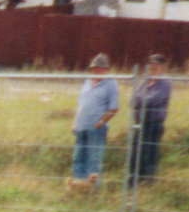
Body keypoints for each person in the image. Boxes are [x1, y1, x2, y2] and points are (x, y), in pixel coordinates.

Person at [69, 54, 120, 192]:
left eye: (100, 69)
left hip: (96, 129)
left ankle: (93, 190)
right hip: (81, 127)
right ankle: (78, 187)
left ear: (106, 70)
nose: (96, 71)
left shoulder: (111, 84)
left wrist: (101, 122)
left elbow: (114, 108)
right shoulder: (87, 82)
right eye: (94, 68)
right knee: (78, 157)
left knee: (94, 159)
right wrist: (75, 122)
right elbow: (80, 104)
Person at [129, 53, 172, 185]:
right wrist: (139, 100)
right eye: (151, 65)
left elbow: (154, 99)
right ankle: (134, 179)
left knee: (150, 151)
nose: (152, 68)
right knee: (136, 150)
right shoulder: (144, 81)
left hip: (154, 123)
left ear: (162, 68)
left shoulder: (165, 83)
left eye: (156, 66)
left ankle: (148, 181)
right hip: (139, 122)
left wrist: (140, 100)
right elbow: (132, 100)